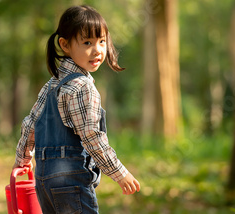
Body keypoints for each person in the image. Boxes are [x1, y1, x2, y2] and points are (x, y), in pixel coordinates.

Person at [13, 5, 141, 213]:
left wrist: (21, 161)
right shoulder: (83, 86)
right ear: (65, 44)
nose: (97, 50)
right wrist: (119, 172)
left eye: (101, 41)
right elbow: (91, 136)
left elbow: (30, 124)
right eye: (87, 42)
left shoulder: (52, 84)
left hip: (44, 181)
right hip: (70, 182)